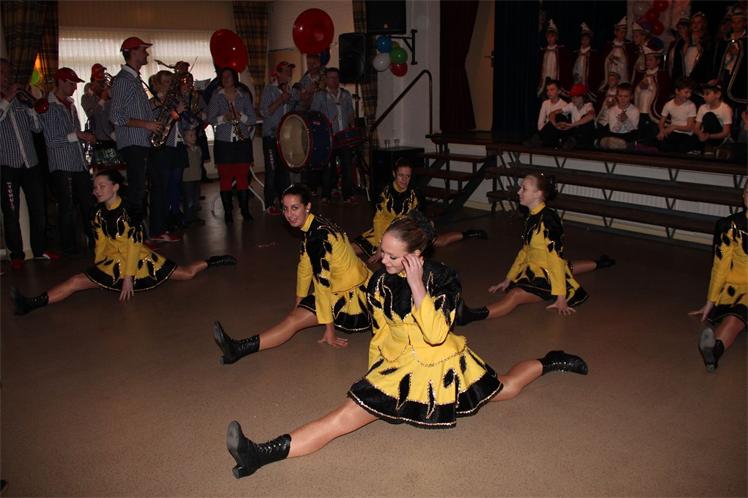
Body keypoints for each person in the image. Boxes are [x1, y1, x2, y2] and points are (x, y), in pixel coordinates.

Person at [222, 211, 590, 479]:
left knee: (507, 388)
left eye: (392, 255)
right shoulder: (379, 282)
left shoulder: (444, 280)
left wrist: (417, 287)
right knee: (341, 418)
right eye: (382, 251)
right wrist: (375, 371)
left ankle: (550, 360)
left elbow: (436, 333)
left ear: (416, 256)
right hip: (399, 367)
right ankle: (260, 454)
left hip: (442, 364)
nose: (382, 260)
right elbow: (381, 332)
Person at [12, 169, 237, 315]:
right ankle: (31, 303)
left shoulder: (130, 212)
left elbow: (133, 247)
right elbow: (101, 242)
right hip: (113, 262)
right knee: (75, 281)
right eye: (95, 187)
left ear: (115, 187)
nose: (96, 190)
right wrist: (98, 267)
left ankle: (213, 261)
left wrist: (128, 278)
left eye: (102, 186)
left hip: (139, 260)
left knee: (186, 274)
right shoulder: (98, 213)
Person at [212, 184, 371, 364]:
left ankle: (238, 349)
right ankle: (238, 348)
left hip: (351, 293)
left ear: (307, 206)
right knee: (295, 316)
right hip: (346, 281)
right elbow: (304, 267)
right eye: (285, 208)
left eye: (295, 208)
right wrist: (298, 302)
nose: (289, 214)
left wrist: (330, 330)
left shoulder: (317, 237)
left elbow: (322, 284)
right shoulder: (313, 223)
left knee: (292, 321)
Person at [456, 173, 614, 326]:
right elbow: (525, 251)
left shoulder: (549, 220)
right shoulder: (532, 216)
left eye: (524, 189)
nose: (519, 192)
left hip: (547, 271)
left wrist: (561, 296)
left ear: (538, 194)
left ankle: (471, 315)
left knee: (516, 295)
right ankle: (599, 263)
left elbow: (555, 259)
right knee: (568, 267)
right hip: (536, 266)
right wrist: (508, 279)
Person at [352, 159, 487, 264]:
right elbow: (379, 219)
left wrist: (426, 227)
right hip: (383, 229)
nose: (404, 180)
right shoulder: (384, 191)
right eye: (401, 175)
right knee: (354, 248)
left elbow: (418, 217)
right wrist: (380, 246)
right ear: (394, 174)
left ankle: (468, 234)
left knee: (438, 241)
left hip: (406, 230)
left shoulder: (415, 193)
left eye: (408, 176)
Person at [0, 58, 58, 270]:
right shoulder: (8, 99)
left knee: (38, 209)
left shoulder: (20, 101)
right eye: (2, 73)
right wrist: (8, 98)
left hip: (31, 163)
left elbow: (37, 129)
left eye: (8, 73)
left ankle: (39, 250)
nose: (6, 77)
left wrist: (32, 108)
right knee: (11, 212)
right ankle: (16, 255)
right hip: (7, 164)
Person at [689, 182, 747, 372]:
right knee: (734, 318)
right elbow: (720, 266)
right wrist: (711, 300)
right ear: (743, 195)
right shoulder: (730, 225)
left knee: (737, 317)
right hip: (735, 288)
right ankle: (713, 352)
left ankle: (714, 351)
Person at [40, 67, 96, 257]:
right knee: (67, 208)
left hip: (78, 162)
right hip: (61, 165)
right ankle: (69, 249)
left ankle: (94, 242)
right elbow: (51, 140)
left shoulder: (70, 105)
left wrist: (84, 137)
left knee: (88, 204)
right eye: (71, 83)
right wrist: (78, 135)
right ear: (61, 82)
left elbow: (73, 135)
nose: (74, 87)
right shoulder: (47, 106)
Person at [109, 36, 163, 228]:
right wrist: (146, 125)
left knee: (151, 187)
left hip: (142, 142)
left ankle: (153, 230)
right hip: (133, 143)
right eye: (143, 50)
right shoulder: (123, 80)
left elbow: (137, 110)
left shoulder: (134, 79)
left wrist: (157, 105)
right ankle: (134, 234)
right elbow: (115, 116)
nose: (146, 53)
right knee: (137, 191)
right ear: (132, 52)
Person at [207, 67, 257, 223]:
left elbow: (252, 119)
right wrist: (224, 118)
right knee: (225, 179)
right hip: (224, 143)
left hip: (242, 142)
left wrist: (240, 116)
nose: (226, 78)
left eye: (228, 76)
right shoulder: (216, 97)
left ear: (235, 78)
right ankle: (228, 212)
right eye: (223, 76)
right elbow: (210, 119)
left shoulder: (244, 96)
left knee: (242, 178)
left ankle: (245, 211)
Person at [147, 70, 187, 241]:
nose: (169, 85)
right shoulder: (152, 103)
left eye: (171, 82)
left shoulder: (175, 100)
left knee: (175, 185)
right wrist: (175, 112)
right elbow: (157, 123)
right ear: (157, 84)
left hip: (178, 144)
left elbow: (185, 122)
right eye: (165, 82)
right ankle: (162, 224)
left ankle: (174, 216)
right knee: (162, 187)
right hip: (163, 147)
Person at [311, 67, 356, 203]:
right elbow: (314, 115)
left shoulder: (346, 94)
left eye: (336, 77)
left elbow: (350, 113)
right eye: (331, 77)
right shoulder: (320, 96)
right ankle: (326, 194)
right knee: (328, 167)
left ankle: (348, 195)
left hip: (344, 137)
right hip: (328, 137)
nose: (334, 80)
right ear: (326, 79)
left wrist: (352, 126)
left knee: (347, 165)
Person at [260, 61, 297, 215]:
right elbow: (264, 112)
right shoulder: (269, 90)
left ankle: (285, 202)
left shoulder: (291, 90)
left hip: (285, 138)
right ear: (279, 73)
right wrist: (281, 99)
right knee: (271, 170)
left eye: (290, 71)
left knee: (284, 171)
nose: (289, 74)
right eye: (286, 71)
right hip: (271, 137)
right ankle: (270, 203)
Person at [633, 46, 671, 143]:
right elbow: (636, 90)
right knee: (641, 134)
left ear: (658, 61)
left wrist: (650, 87)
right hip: (641, 109)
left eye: (650, 60)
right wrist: (640, 87)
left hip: (653, 112)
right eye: (646, 60)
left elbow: (663, 92)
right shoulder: (642, 74)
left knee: (651, 135)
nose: (647, 62)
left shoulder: (662, 75)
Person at [715, 7, 747, 111]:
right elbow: (718, 60)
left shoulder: (745, 40)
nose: (736, 25)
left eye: (739, 22)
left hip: (741, 76)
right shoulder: (725, 39)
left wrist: (738, 53)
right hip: (726, 74)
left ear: (744, 23)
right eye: (734, 22)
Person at [548, 83, 596, 149]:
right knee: (559, 117)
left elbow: (591, 116)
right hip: (575, 132)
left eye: (577, 97)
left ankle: (576, 142)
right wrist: (555, 125)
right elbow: (552, 113)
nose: (574, 99)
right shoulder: (571, 105)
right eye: (572, 97)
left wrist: (571, 125)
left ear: (583, 97)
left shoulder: (588, 105)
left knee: (585, 121)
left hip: (587, 135)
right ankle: (554, 141)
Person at [657, 77, 698, 153]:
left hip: (686, 135)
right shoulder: (668, 104)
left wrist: (674, 127)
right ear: (677, 91)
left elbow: (689, 127)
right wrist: (661, 131)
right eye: (686, 92)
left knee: (680, 148)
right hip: (673, 133)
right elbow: (661, 122)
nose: (689, 95)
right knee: (660, 143)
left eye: (690, 93)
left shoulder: (691, 105)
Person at [597, 83, 640, 150]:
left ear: (631, 97)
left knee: (614, 144)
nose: (622, 99)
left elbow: (633, 130)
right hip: (614, 136)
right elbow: (613, 130)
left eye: (626, 96)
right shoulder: (612, 110)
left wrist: (626, 120)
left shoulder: (635, 111)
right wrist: (620, 121)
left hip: (628, 138)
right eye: (620, 96)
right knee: (606, 141)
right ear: (617, 96)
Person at [694, 82, 732, 155]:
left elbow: (726, 132)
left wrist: (708, 136)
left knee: (709, 116)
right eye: (703, 93)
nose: (704, 96)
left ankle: (710, 147)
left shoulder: (725, 108)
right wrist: (700, 134)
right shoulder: (702, 107)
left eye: (707, 93)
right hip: (705, 135)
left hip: (719, 138)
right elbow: (696, 127)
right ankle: (704, 148)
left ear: (718, 94)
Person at [538, 20, 572, 98]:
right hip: (545, 80)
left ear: (556, 37)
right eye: (548, 37)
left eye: (552, 36)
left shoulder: (561, 50)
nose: (550, 39)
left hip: (556, 79)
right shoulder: (543, 51)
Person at [572, 23, 602, 103]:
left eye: (587, 39)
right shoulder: (576, 53)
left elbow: (596, 70)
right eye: (583, 39)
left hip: (589, 83)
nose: (584, 41)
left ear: (590, 40)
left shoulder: (594, 54)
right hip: (578, 80)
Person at [181, 127, 204, 226]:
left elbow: (200, 160)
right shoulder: (183, 149)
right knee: (188, 200)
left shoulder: (198, 148)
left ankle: (194, 217)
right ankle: (188, 218)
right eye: (190, 135)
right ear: (184, 137)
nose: (194, 137)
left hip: (197, 178)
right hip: (187, 179)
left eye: (194, 135)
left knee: (195, 199)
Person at [602, 17, 635, 85]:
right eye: (621, 32)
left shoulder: (628, 45)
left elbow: (630, 61)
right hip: (612, 70)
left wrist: (621, 60)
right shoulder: (610, 45)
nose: (623, 34)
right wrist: (610, 59)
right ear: (615, 32)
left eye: (625, 32)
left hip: (622, 72)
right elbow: (605, 59)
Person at [535, 80, 568, 147]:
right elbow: (540, 123)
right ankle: (541, 139)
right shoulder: (545, 103)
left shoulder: (564, 105)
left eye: (552, 90)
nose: (549, 92)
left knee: (558, 117)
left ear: (559, 91)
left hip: (556, 134)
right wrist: (543, 133)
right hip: (545, 134)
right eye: (547, 90)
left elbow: (561, 127)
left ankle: (539, 139)